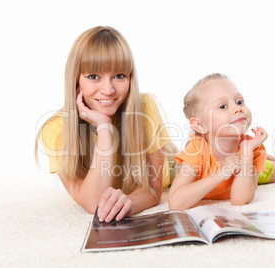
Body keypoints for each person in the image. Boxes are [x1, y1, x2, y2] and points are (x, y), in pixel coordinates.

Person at [35, 26, 177, 222]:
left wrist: (129, 203)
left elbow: (153, 190)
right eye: (93, 76)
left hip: (176, 169)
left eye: (119, 76)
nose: (108, 90)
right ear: (75, 80)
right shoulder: (55, 130)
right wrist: (104, 128)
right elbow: (93, 203)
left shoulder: (144, 108)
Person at [168, 73, 275, 210]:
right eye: (223, 106)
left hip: (246, 171)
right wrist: (220, 175)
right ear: (200, 125)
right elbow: (175, 203)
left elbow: (239, 200)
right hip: (217, 166)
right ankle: (263, 159)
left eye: (239, 102)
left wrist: (246, 153)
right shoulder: (197, 150)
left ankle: (264, 159)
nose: (237, 108)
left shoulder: (251, 149)